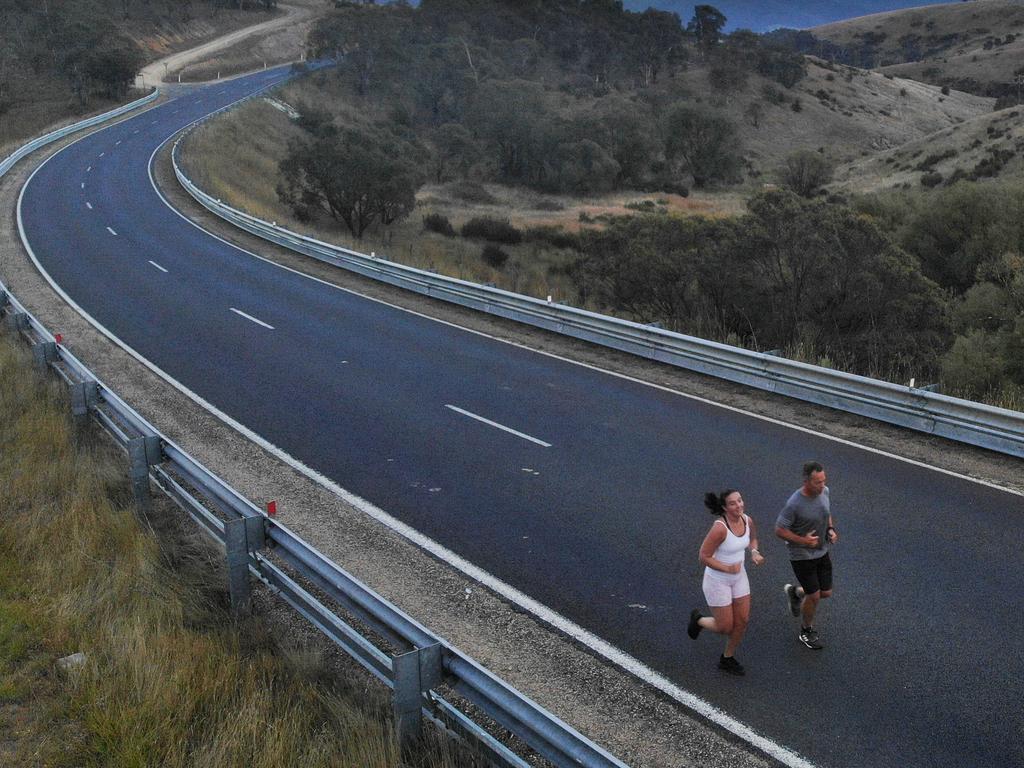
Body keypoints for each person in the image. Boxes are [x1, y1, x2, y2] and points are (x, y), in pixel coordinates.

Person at [687, 489, 765, 675]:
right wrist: (727, 568)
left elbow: (753, 539)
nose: (739, 505)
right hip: (717, 581)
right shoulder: (720, 528)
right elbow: (703, 557)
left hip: (739, 577)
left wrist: (754, 552)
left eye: (740, 500)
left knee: (742, 620)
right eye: (733, 503)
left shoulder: (747, 520)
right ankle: (699, 621)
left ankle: (727, 658)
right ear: (724, 507)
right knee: (724, 627)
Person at [775, 461, 839, 650]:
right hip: (801, 555)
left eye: (823, 480)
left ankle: (796, 592)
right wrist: (803, 541)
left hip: (821, 550)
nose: (822, 485)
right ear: (806, 481)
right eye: (817, 482)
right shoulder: (794, 504)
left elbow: (826, 512)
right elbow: (779, 530)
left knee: (826, 592)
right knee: (815, 596)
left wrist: (830, 529)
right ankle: (806, 630)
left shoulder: (824, 492)